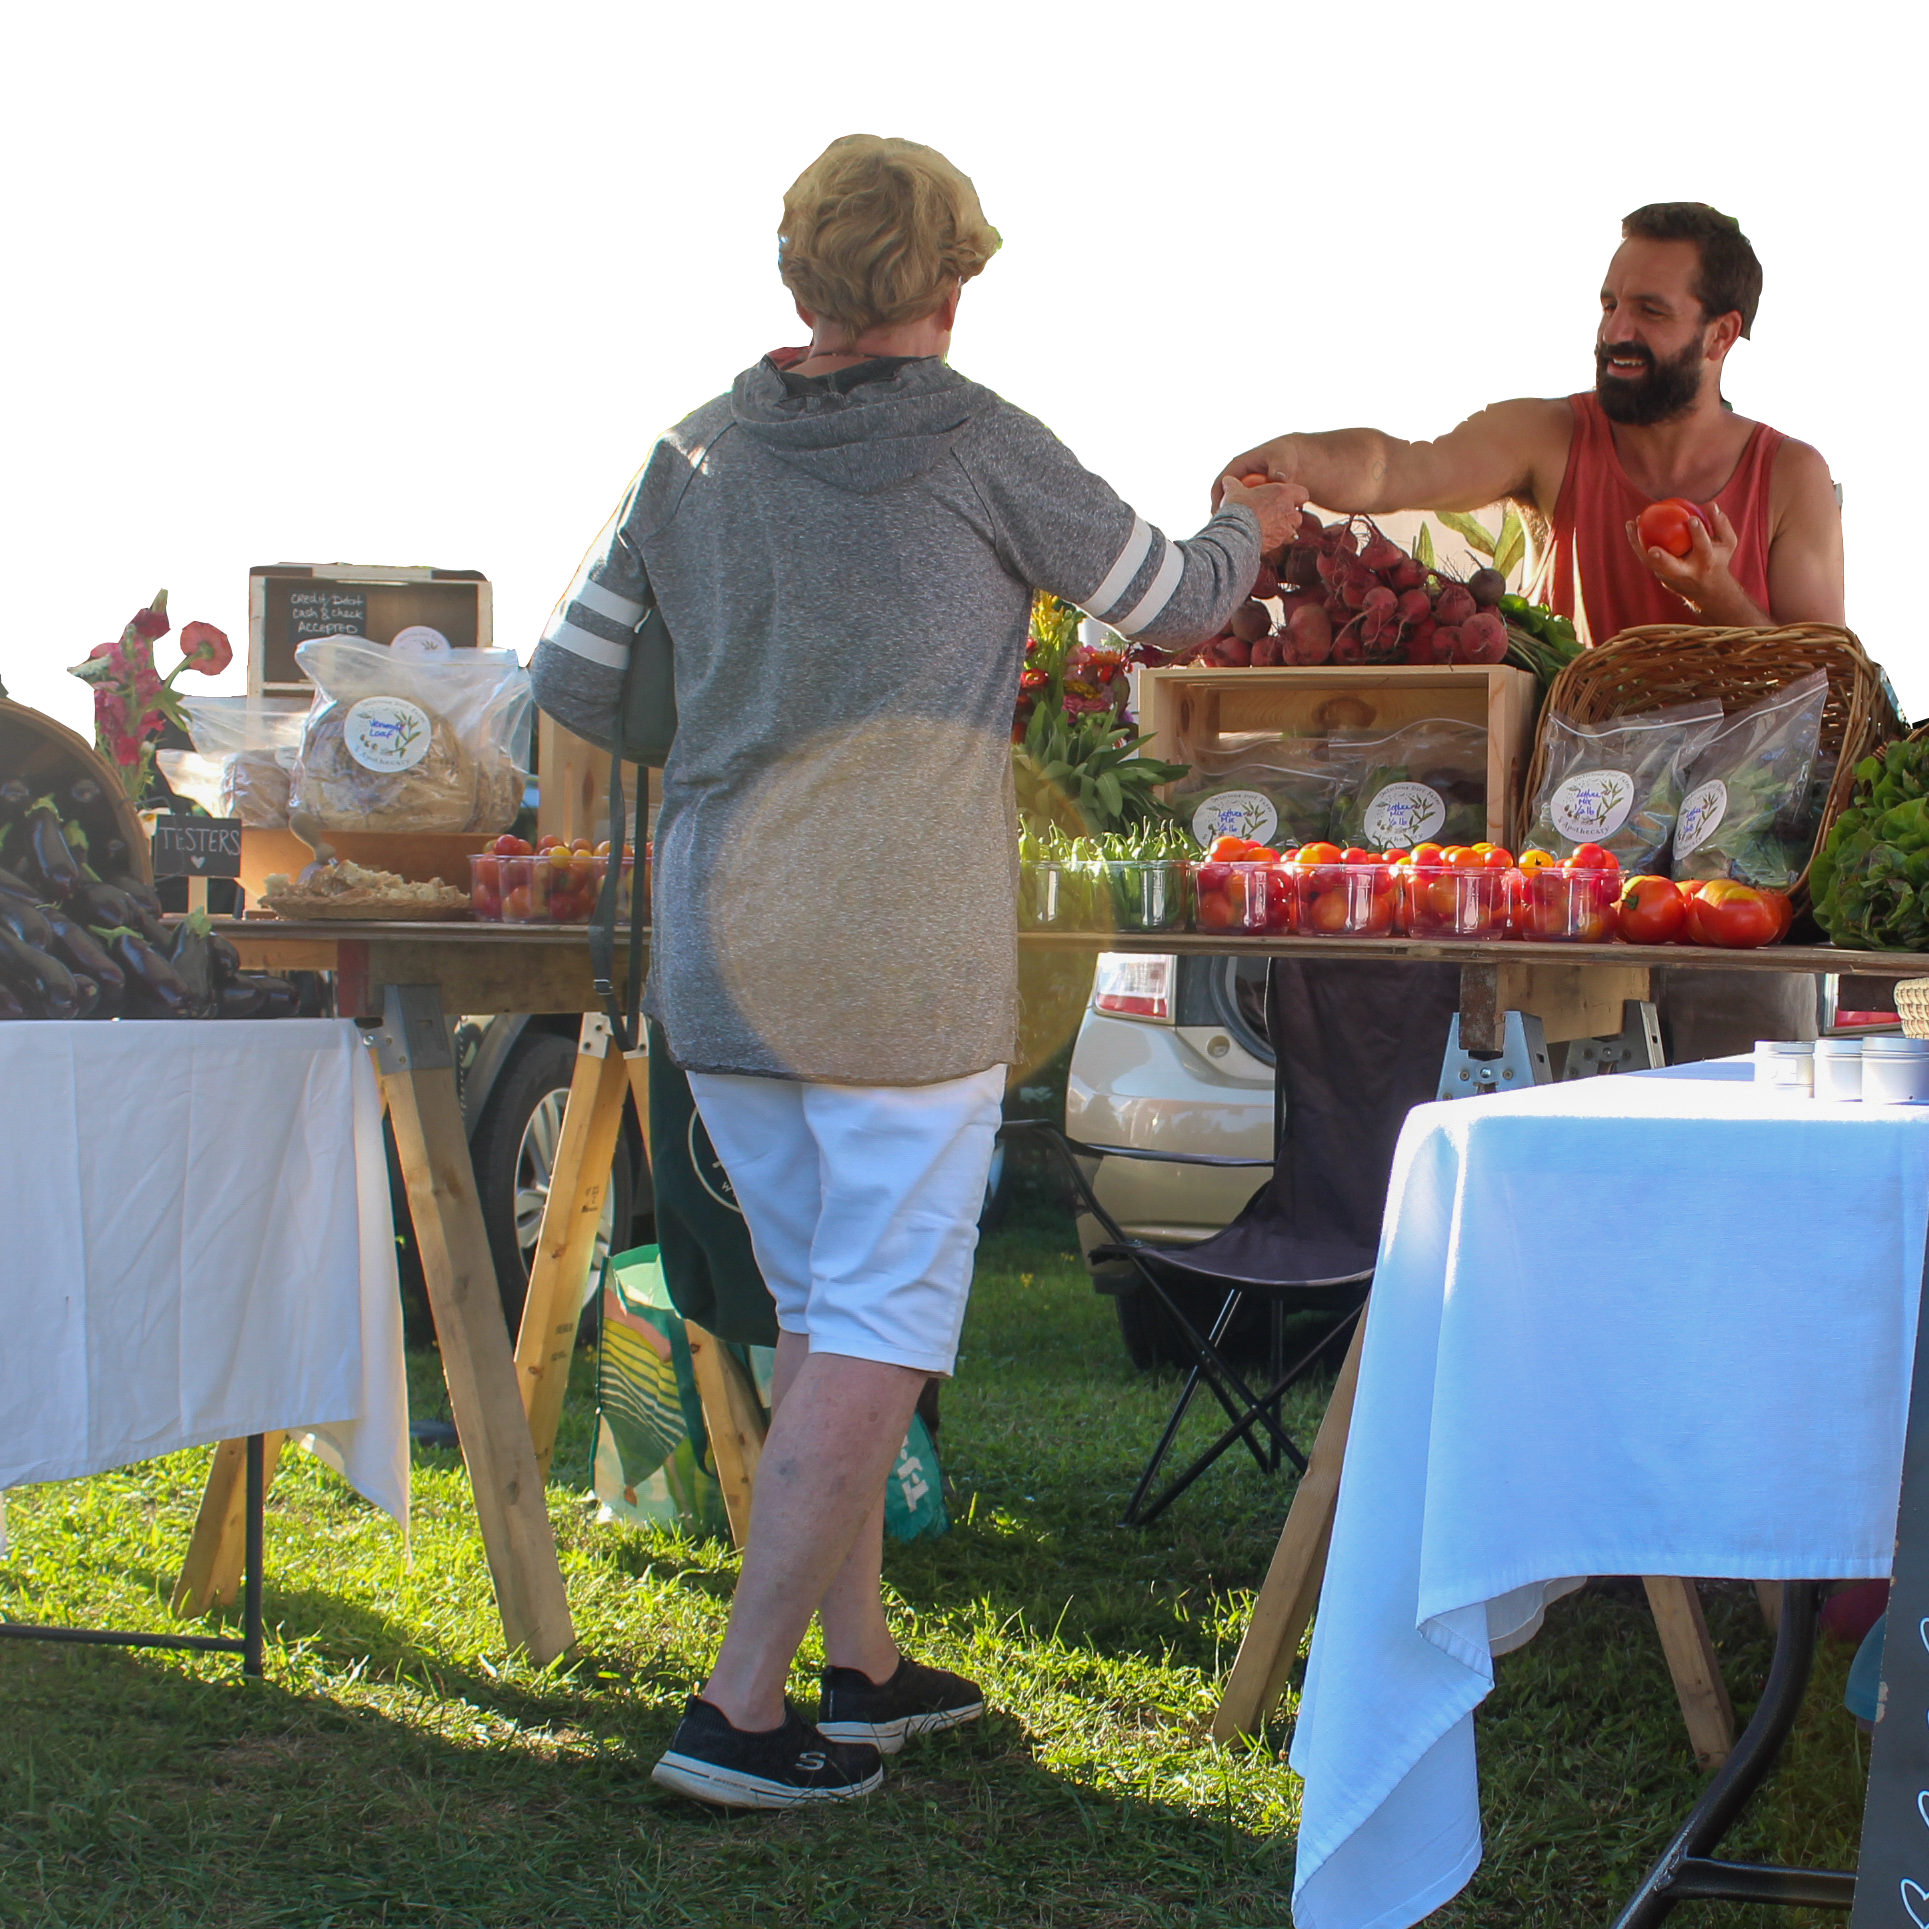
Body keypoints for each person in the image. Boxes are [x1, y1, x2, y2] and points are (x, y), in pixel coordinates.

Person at [530, 133, 1304, 1811]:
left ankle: (857, 1667)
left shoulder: (692, 448)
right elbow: (1164, 604)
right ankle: (734, 1709)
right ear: (949, 280)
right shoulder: (972, 438)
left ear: (801, 273)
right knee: (875, 1318)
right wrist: (1252, 517)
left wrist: (751, 661)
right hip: (891, 947)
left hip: (722, 942)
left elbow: (584, 678)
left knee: (824, 1306)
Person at [1212, 200, 1844, 1059]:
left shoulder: (1788, 476)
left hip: (1732, 868)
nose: (1617, 329)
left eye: (1650, 312)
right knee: (1573, 1113)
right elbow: (1400, 466)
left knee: (1734, 1117)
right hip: (1580, 847)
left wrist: (1720, 598)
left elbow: (1823, 685)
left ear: (1721, 332)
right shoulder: (1553, 437)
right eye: (1610, 303)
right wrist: (1295, 458)